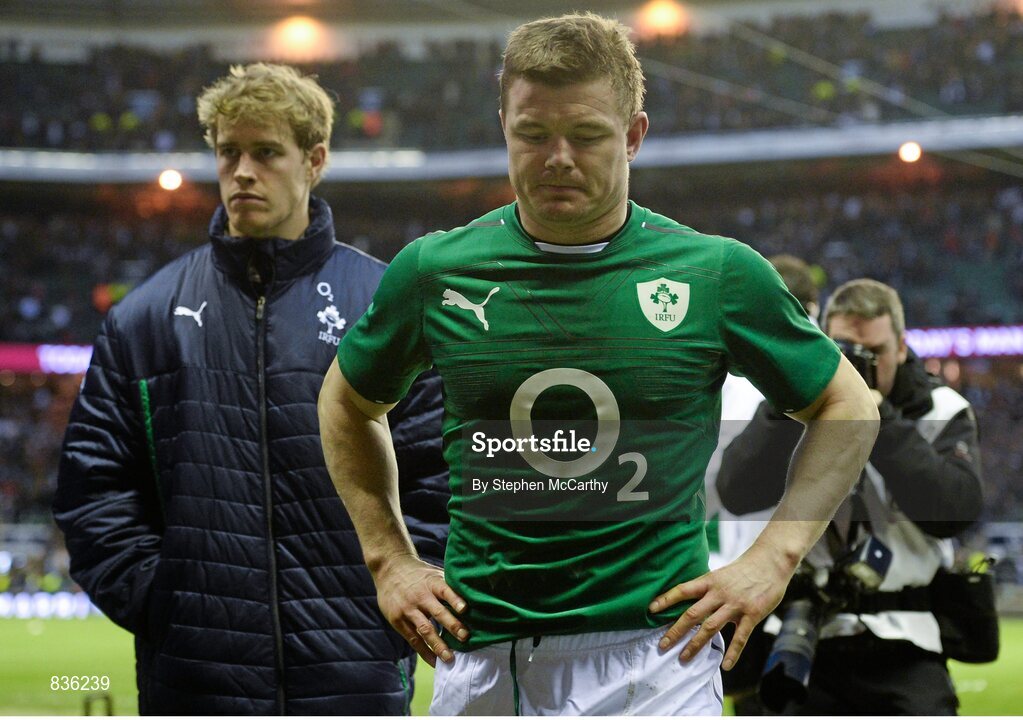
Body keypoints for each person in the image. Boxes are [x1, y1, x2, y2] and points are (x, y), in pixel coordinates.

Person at [319, 13, 878, 716]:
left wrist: (772, 560)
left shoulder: (714, 273)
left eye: (585, 135)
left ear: (634, 135)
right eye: (532, 134)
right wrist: (389, 559)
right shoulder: (434, 270)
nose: (557, 157)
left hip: (656, 659)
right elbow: (346, 402)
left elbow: (848, 406)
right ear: (504, 127)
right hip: (483, 655)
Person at [53, 63, 448, 714]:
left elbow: (442, 470)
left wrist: (400, 588)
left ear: (314, 159)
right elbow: (93, 490)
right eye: (228, 153)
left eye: (266, 153)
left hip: (354, 679)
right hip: (194, 682)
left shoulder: (383, 304)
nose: (241, 172)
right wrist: (163, 601)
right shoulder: (144, 317)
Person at [717, 278, 983, 715]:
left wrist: (875, 416)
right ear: (823, 340)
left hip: (903, 636)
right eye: (841, 349)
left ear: (901, 347)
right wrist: (798, 393)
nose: (859, 363)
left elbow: (953, 513)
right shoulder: (798, 404)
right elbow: (736, 491)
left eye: (874, 353)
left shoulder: (941, 409)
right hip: (799, 632)